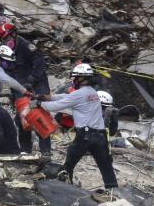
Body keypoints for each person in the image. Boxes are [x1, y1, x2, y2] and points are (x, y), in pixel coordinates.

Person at [35, 63, 118, 191]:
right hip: (101, 137)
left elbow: (57, 106)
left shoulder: (79, 94)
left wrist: (39, 103)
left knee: (69, 163)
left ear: (81, 78)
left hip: (85, 136)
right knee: (106, 166)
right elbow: (67, 97)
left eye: (75, 77)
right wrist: (49, 97)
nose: (73, 80)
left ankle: (65, 189)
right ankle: (114, 192)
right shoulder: (93, 93)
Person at [0, 23, 52, 155]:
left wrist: (31, 81)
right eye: (3, 39)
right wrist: (13, 92)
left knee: (38, 116)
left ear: (14, 34)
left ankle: (45, 151)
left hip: (36, 86)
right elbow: (8, 70)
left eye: (8, 37)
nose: (6, 41)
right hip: (19, 87)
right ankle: (25, 151)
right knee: (22, 119)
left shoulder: (27, 46)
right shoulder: (5, 50)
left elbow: (39, 65)